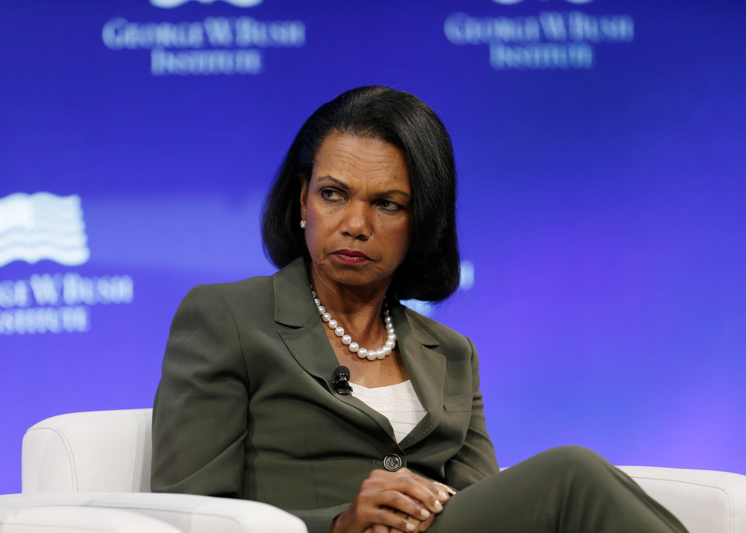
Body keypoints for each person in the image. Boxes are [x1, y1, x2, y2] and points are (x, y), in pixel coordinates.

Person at [151, 86, 687, 533]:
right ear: (301, 201)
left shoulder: (452, 354)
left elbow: (486, 502)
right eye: (334, 194)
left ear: (422, 222)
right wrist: (337, 523)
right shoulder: (228, 316)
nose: (356, 224)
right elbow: (186, 514)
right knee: (572, 473)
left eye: (387, 204)